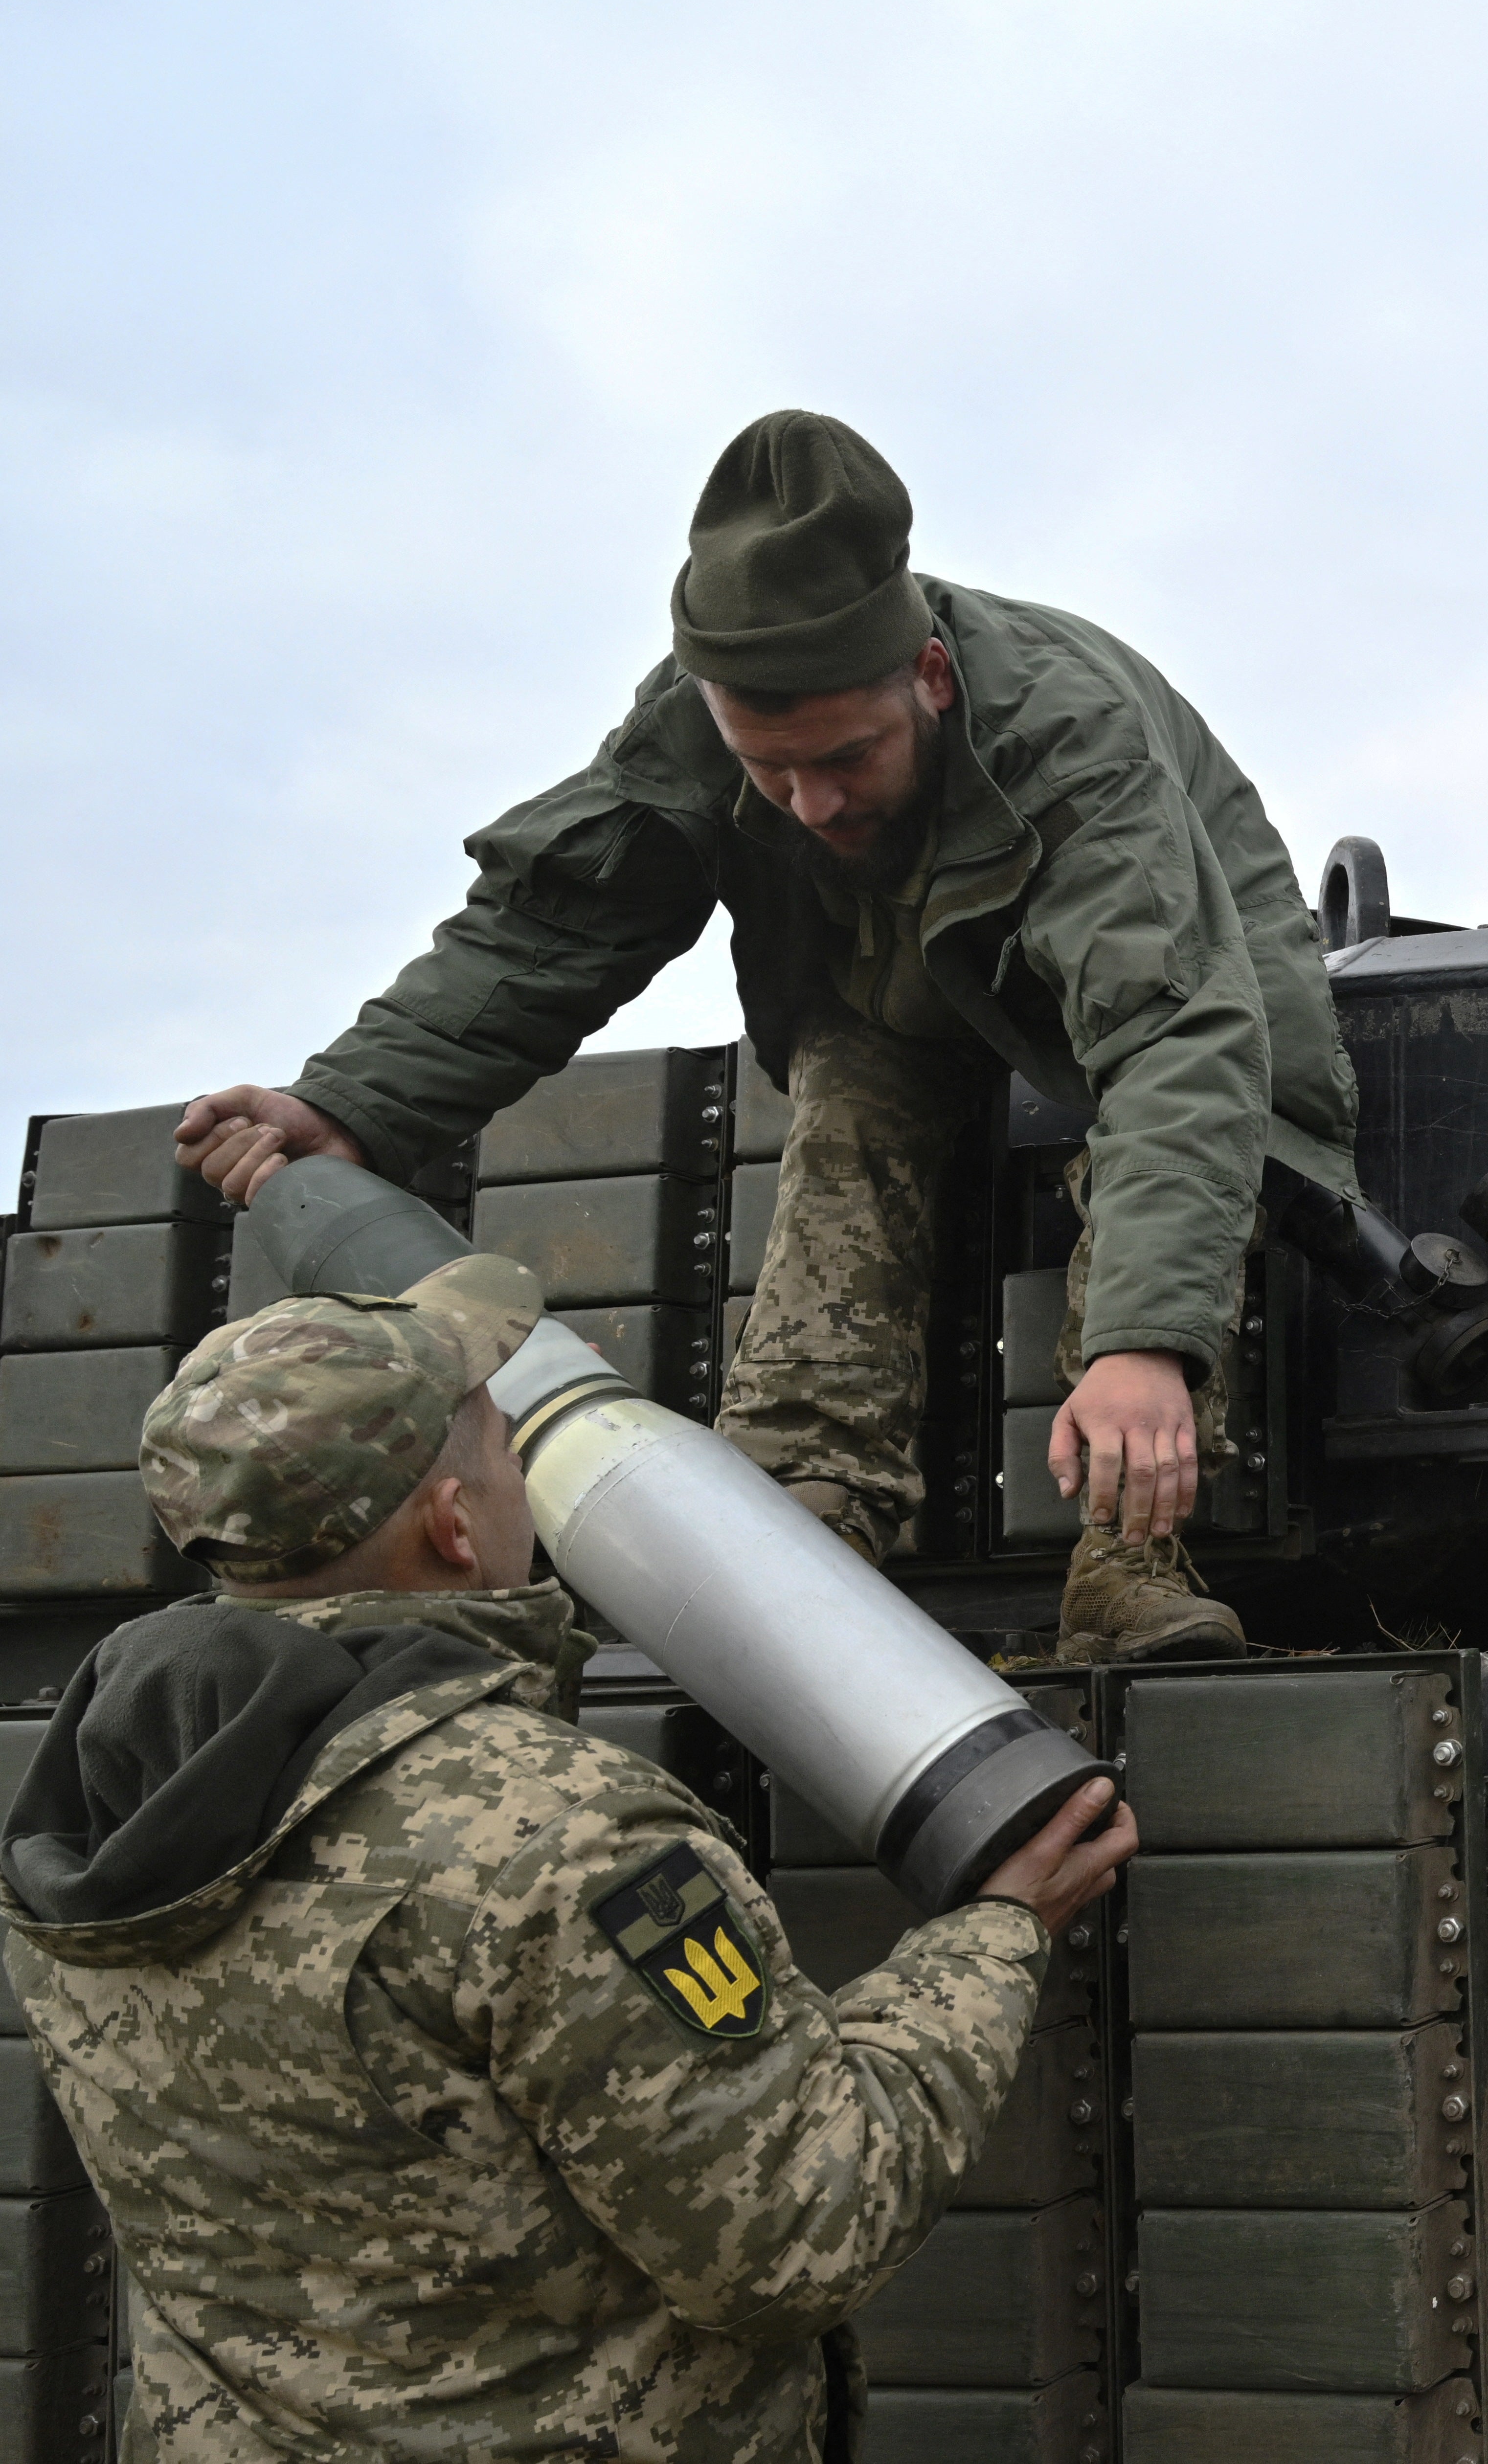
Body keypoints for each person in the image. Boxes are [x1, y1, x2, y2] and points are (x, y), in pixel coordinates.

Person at [170, 410, 1361, 1660]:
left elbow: (1173, 1037)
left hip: (1183, 968)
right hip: (892, 982)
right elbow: (550, 925)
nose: (813, 803)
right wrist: (351, 1104)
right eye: (771, 772)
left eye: (847, 757)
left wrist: (1139, 1345)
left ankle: (1126, 1564)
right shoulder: (691, 726)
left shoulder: (1069, 737)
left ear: (931, 680)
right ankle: (804, 1523)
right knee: (848, 1103)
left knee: (1171, 1144)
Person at [0, 1254, 1137, 2459]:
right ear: (451, 1525)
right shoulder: (553, 1834)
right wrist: (994, 1938)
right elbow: (801, 2224)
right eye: (502, 1447)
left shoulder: (88, 1814)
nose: (522, 1477)